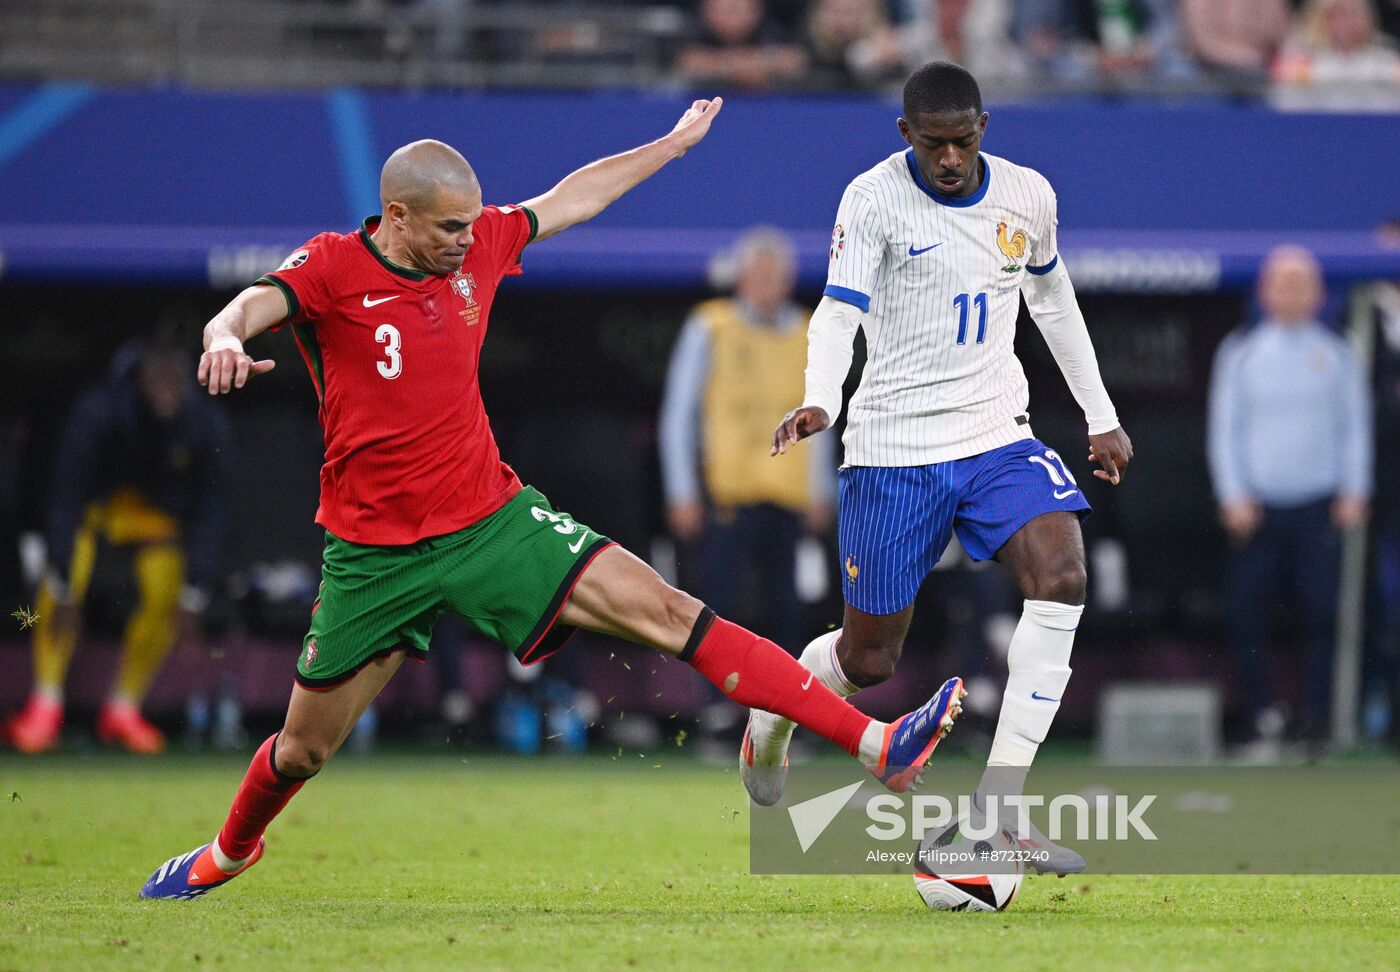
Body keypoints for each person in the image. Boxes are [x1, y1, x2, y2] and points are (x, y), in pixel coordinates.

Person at [139, 98, 967, 900]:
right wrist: (220, 336)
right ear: (395, 215)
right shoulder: (332, 266)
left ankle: (875, 743)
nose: (470, 242)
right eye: (449, 228)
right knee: (302, 751)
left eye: (473, 226)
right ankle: (228, 851)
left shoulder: (480, 245)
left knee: (672, 610)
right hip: (373, 555)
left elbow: (572, 196)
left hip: (492, 522)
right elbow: (255, 302)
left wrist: (669, 148)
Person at [740, 61, 1133, 876]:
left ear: (984, 128)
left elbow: (1052, 301)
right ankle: (771, 717)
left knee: (1061, 578)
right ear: (904, 135)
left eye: (961, 141)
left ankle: (999, 813)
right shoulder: (873, 198)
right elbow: (838, 311)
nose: (948, 158)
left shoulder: (1028, 195)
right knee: (869, 659)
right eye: (932, 144)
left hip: (996, 431)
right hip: (894, 447)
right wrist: (822, 399)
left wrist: (1101, 416)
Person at [4, 337, 232, 755]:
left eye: (174, 380)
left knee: (170, 592)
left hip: (151, 513)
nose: (165, 389)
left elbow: (210, 511)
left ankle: (123, 708)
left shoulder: (202, 423)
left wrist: (195, 592)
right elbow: (66, 496)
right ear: (139, 381)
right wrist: (62, 584)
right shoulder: (100, 412)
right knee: (60, 584)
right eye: (156, 379)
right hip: (95, 506)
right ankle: (45, 704)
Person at [658, 227, 836, 751]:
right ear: (740, 278)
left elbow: (823, 414)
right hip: (727, 499)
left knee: (788, 612)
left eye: (775, 276)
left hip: (788, 500)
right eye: (757, 276)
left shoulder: (808, 330)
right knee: (721, 609)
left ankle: (783, 719)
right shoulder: (709, 325)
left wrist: (822, 488)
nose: (766, 285)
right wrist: (681, 489)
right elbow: (679, 415)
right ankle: (717, 716)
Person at [1207, 245, 1372, 751]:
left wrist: (1354, 489)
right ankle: (1261, 718)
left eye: (1303, 284)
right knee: (1249, 615)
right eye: (1283, 283)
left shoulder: (1339, 354)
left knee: (1322, 615)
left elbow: (1354, 427)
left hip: (1319, 506)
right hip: (1256, 510)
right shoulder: (1241, 354)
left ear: (1320, 294)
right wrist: (1233, 495)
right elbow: (1224, 430)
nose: (1293, 293)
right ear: (1264, 292)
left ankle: (1317, 722)